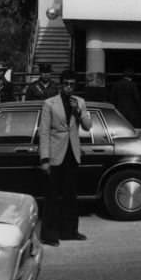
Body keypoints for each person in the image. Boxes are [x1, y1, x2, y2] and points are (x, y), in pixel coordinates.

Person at [38, 69, 92, 245]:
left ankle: (70, 231)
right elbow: (44, 132)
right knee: (52, 196)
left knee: (71, 195)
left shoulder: (80, 102)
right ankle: (49, 235)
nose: (69, 87)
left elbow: (87, 126)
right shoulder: (49, 103)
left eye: (72, 84)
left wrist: (79, 111)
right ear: (61, 85)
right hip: (55, 154)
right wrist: (44, 159)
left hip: (72, 155)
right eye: (66, 84)